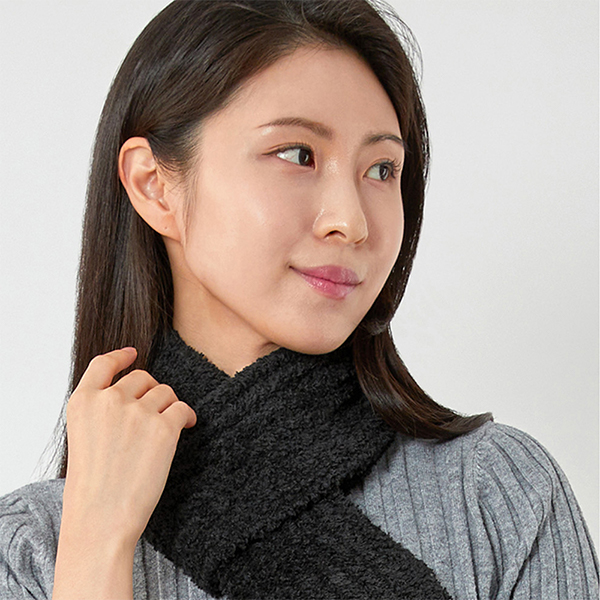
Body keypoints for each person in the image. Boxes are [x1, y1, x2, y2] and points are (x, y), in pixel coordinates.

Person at [0, 0, 597, 598]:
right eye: (297, 154)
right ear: (154, 185)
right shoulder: (31, 549)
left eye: (382, 169)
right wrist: (96, 543)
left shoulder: (498, 494)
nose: (352, 221)